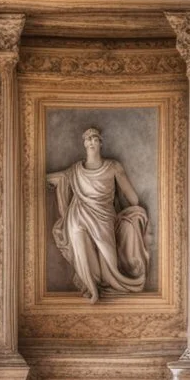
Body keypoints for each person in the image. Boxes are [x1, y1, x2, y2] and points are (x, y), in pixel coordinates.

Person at [47, 127, 150, 303]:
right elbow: (59, 178)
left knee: (108, 259)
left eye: (95, 138)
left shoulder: (113, 167)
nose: (91, 141)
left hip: (104, 217)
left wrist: (133, 214)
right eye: (88, 138)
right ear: (84, 144)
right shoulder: (75, 170)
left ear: (100, 143)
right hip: (79, 214)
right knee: (81, 248)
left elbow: (132, 197)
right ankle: (92, 288)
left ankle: (105, 284)